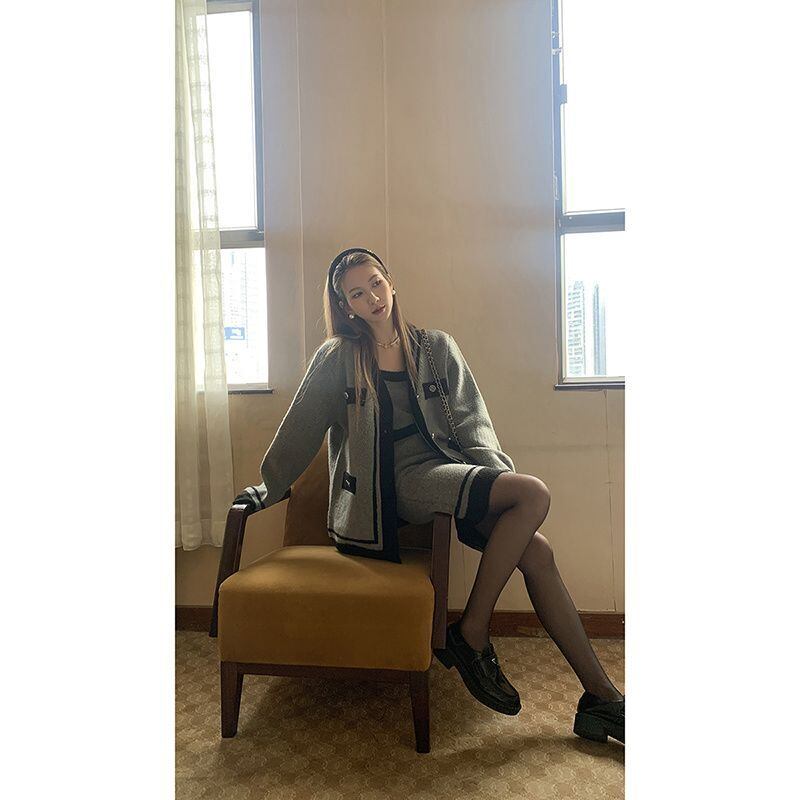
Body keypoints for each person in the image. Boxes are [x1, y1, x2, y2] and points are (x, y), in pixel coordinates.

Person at [235, 247, 624, 744]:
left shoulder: (436, 347)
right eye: (358, 293)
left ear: (390, 281)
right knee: (533, 494)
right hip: (390, 485)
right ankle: (472, 633)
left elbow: (472, 421)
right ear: (347, 307)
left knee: (537, 550)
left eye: (376, 283)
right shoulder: (339, 358)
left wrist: (491, 487)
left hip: (445, 469)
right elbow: (299, 431)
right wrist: (266, 488)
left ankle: (599, 698)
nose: (372, 297)